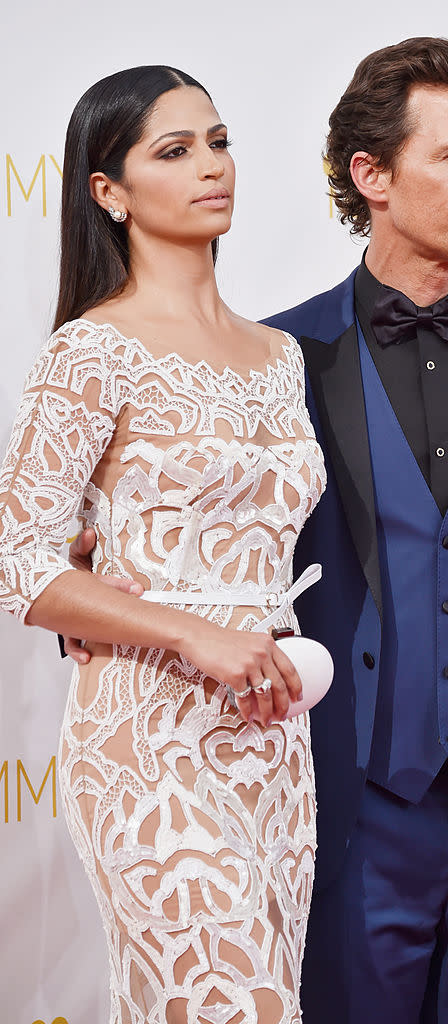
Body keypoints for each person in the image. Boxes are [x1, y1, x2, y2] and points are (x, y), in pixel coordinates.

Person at [65, 38, 448, 1024]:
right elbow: (175, 521)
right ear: (372, 175)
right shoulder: (273, 358)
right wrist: (95, 572)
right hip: (339, 811)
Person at [0, 66, 325, 1024]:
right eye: (174, 151)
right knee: (243, 1005)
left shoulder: (280, 357)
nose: (211, 167)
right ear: (108, 192)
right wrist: (190, 634)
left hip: (272, 737)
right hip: (148, 737)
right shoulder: (89, 351)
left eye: (218, 142)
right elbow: (19, 562)